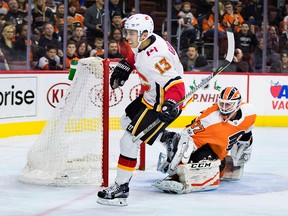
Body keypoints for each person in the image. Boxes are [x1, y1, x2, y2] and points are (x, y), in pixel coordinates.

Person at [97, 13, 185, 206]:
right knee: (126, 122)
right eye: (127, 32)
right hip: (151, 96)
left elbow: (177, 86)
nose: (127, 37)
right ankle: (169, 139)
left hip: (165, 103)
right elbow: (135, 54)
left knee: (129, 140)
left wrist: (170, 105)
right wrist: (125, 66)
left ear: (144, 34)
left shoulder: (156, 57)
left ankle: (121, 189)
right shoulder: (146, 42)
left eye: (131, 33)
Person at [155, 86, 257, 194]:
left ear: (237, 104)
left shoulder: (249, 112)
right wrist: (179, 154)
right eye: (221, 103)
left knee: (218, 167)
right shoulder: (210, 119)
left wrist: (244, 148)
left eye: (227, 104)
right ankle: (176, 170)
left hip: (219, 154)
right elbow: (187, 137)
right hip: (201, 146)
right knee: (191, 154)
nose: (223, 108)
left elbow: (247, 131)